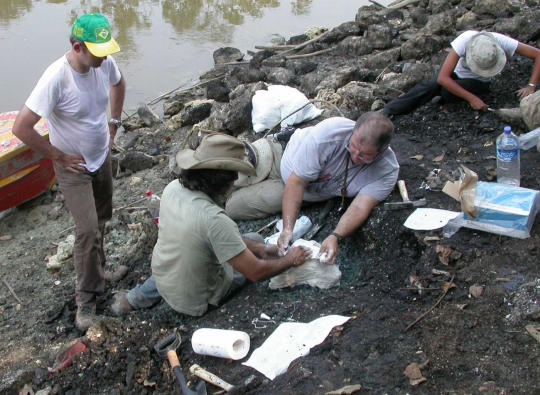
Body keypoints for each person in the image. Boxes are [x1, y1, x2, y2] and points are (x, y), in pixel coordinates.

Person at [111, 134, 311, 317]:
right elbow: (255, 272)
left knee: (254, 243)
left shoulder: (173, 188)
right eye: (234, 177)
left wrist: (262, 248)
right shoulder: (214, 219)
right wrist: (290, 260)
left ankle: (133, 299)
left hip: (163, 274)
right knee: (254, 244)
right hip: (196, 301)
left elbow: (211, 235)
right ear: (224, 181)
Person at [12, 13, 126, 331]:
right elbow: (21, 127)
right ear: (77, 47)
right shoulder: (56, 79)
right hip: (73, 168)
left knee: (102, 218)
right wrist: (57, 156)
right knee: (87, 230)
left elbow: (119, 84)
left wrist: (114, 124)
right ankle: (86, 303)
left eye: (106, 52)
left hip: (100, 156)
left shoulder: (104, 64)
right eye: (97, 53)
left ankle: (100, 269)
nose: (104, 60)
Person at [225, 112, 399, 265]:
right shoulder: (330, 134)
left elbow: (361, 206)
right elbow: (297, 182)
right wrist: (287, 228)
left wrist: (335, 236)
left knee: (229, 207)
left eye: (364, 155)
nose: (355, 156)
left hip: (299, 190)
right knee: (224, 180)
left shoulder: (386, 171)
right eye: (353, 148)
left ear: (381, 153)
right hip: (281, 157)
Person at [381, 31, 540, 116]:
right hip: (454, 74)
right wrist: (472, 99)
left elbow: (538, 54)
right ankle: (389, 110)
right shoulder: (465, 39)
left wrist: (531, 85)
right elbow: (444, 77)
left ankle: (444, 96)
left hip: (478, 83)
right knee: (430, 85)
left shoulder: (500, 41)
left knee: (447, 93)